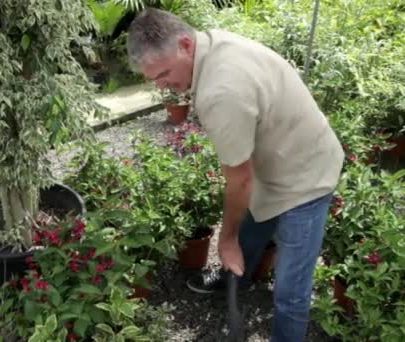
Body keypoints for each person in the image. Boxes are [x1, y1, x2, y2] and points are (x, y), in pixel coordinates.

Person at [126, 7, 344, 342]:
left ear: (185, 44)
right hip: (276, 162)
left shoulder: (220, 91)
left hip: (306, 179)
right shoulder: (211, 44)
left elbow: (239, 179)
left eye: (164, 73)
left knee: (291, 292)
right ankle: (235, 280)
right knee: (252, 231)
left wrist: (223, 241)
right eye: (154, 78)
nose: (163, 86)